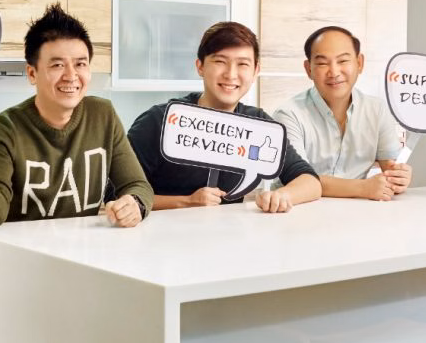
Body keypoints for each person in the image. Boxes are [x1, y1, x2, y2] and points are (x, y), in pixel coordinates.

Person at [0, 4, 153, 227]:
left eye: (80, 64)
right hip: (22, 249)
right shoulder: (2, 131)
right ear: (32, 73)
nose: (71, 76)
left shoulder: (103, 115)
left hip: (84, 246)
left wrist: (134, 204)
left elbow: (138, 185)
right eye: (58, 65)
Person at [127, 21, 321, 213]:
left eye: (243, 64)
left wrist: (282, 196)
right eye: (220, 61)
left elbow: (310, 181)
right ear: (200, 66)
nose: (231, 74)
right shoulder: (160, 120)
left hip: (230, 232)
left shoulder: (259, 124)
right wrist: (186, 202)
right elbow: (120, 193)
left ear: (255, 71)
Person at [273, 26, 412, 201]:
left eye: (343, 61)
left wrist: (399, 178)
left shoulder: (377, 110)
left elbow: (391, 169)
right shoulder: (289, 114)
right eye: (322, 63)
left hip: (356, 212)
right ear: (309, 69)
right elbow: (299, 179)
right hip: (297, 209)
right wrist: (363, 188)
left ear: (359, 63)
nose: (334, 72)